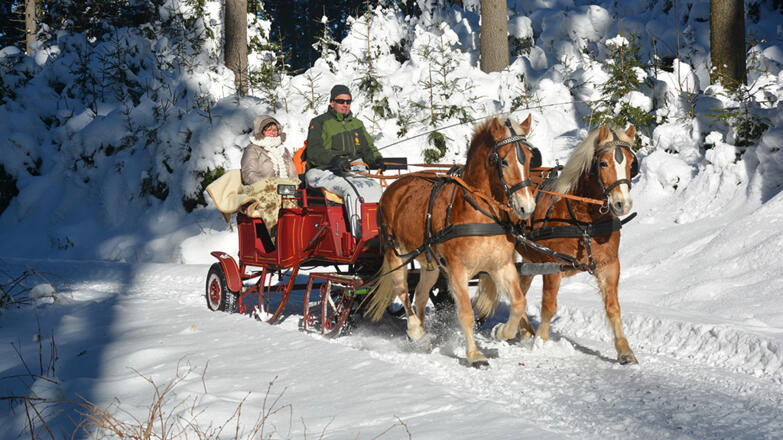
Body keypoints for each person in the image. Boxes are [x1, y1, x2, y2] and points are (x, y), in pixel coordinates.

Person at [304, 84, 384, 239]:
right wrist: (334, 160)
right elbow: (313, 151)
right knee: (352, 191)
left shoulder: (357, 124)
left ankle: (377, 233)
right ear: (332, 103)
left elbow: (368, 149)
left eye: (348, 101)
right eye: (341, 101)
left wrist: (376, 159)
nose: (345, 105)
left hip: (351, 170)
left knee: (375, 188)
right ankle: (358, 236)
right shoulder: (319, 123)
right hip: (323, 171)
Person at [241, 115, 298, 184]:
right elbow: (249, 175)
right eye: (268, 130)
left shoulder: (283, 150)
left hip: (285, 190)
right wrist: (269, 184)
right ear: (261, 131)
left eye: (275, 130)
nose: (272, 132)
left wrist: (295, 184)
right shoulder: (253, 149)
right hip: (260, 189)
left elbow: (293, 174)